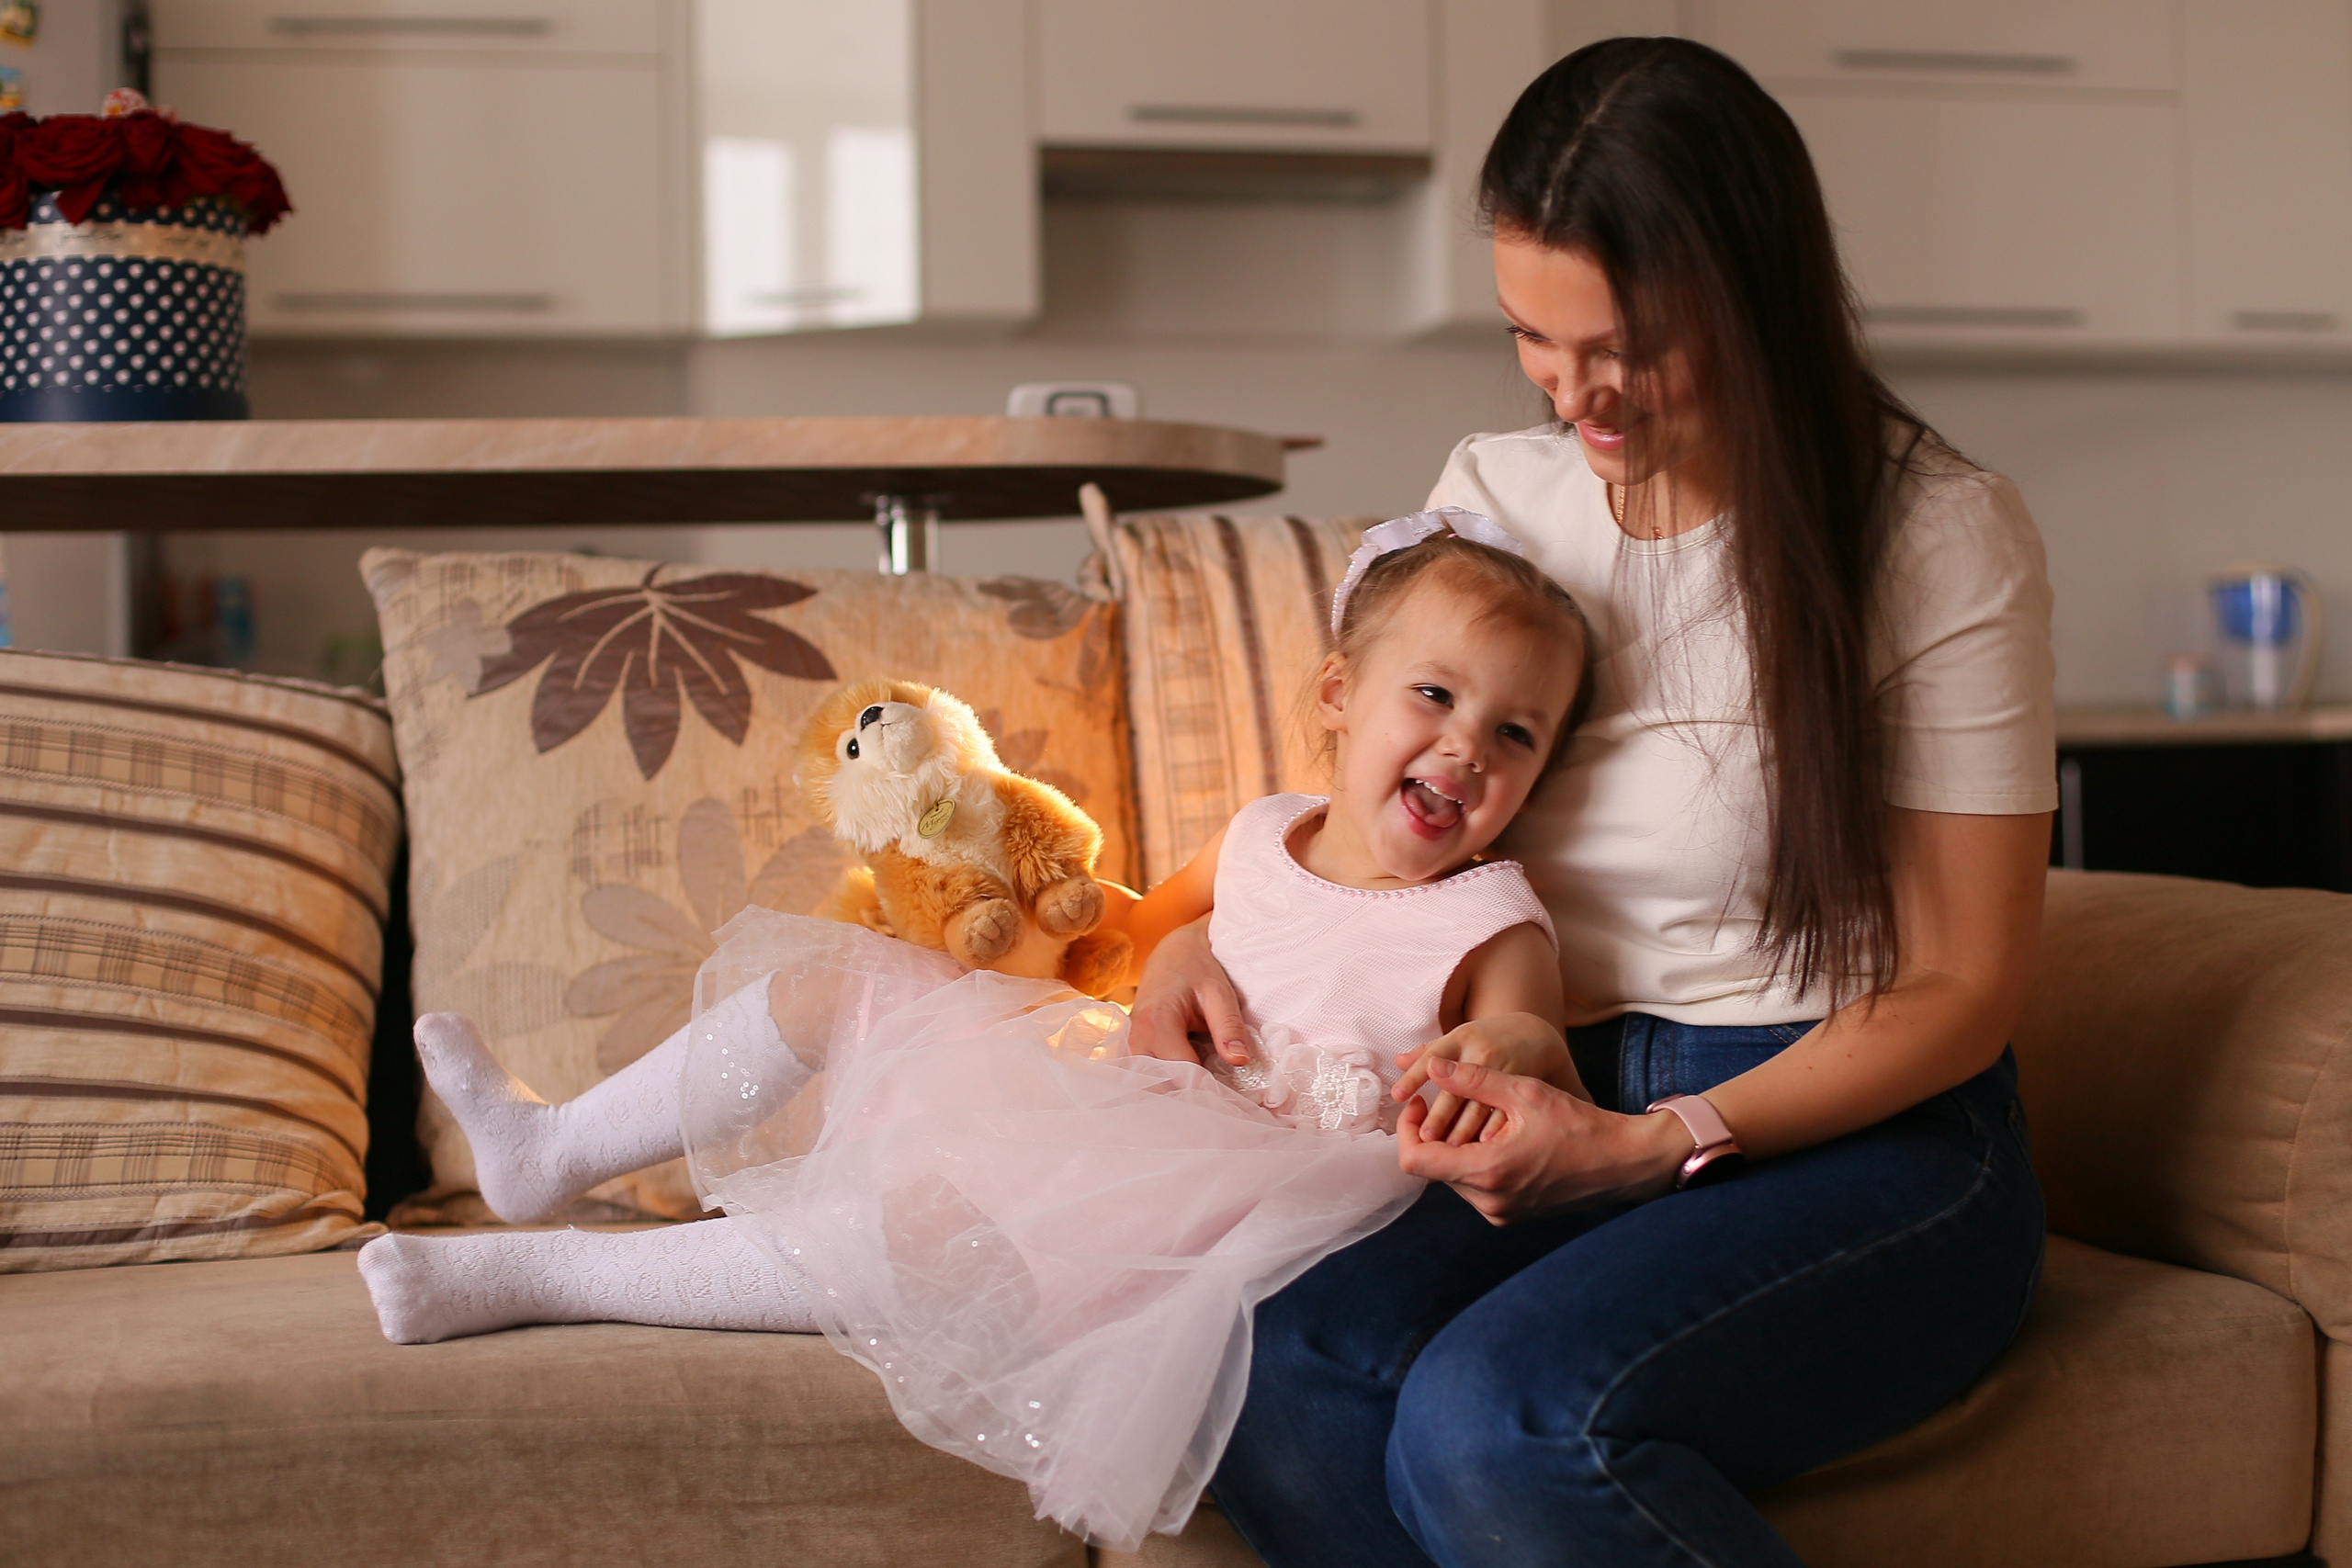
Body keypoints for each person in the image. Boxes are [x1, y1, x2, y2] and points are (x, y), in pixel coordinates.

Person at [1129, 38, 2057, 1568]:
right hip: (1557, 1084)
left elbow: (1963, 984)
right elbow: (1377, 805)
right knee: (1275, 1361)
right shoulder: (1501, 495)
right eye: (1533, 341)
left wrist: (1657, 1140)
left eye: (1624, 345)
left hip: (1859, 1131)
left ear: (1751, 290)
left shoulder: (1937, 534)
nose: (1579, 396)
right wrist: (1195, 942)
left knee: (1500, 1417)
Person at [356, 521, 1598, 1553]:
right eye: (1434, 696)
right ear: (1340, 694)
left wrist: (1496, 1059)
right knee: (844, 977)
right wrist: (1173, 951)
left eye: (1515, 733)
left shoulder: (1488, 914)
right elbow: (1123, 945)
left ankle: (542, 1277)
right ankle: (550, 1145)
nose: (1464, 747)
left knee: (917, 1237)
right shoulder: (1267, 832)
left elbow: (1533, 1040)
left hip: (1240, 1197)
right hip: (1130, 1090)